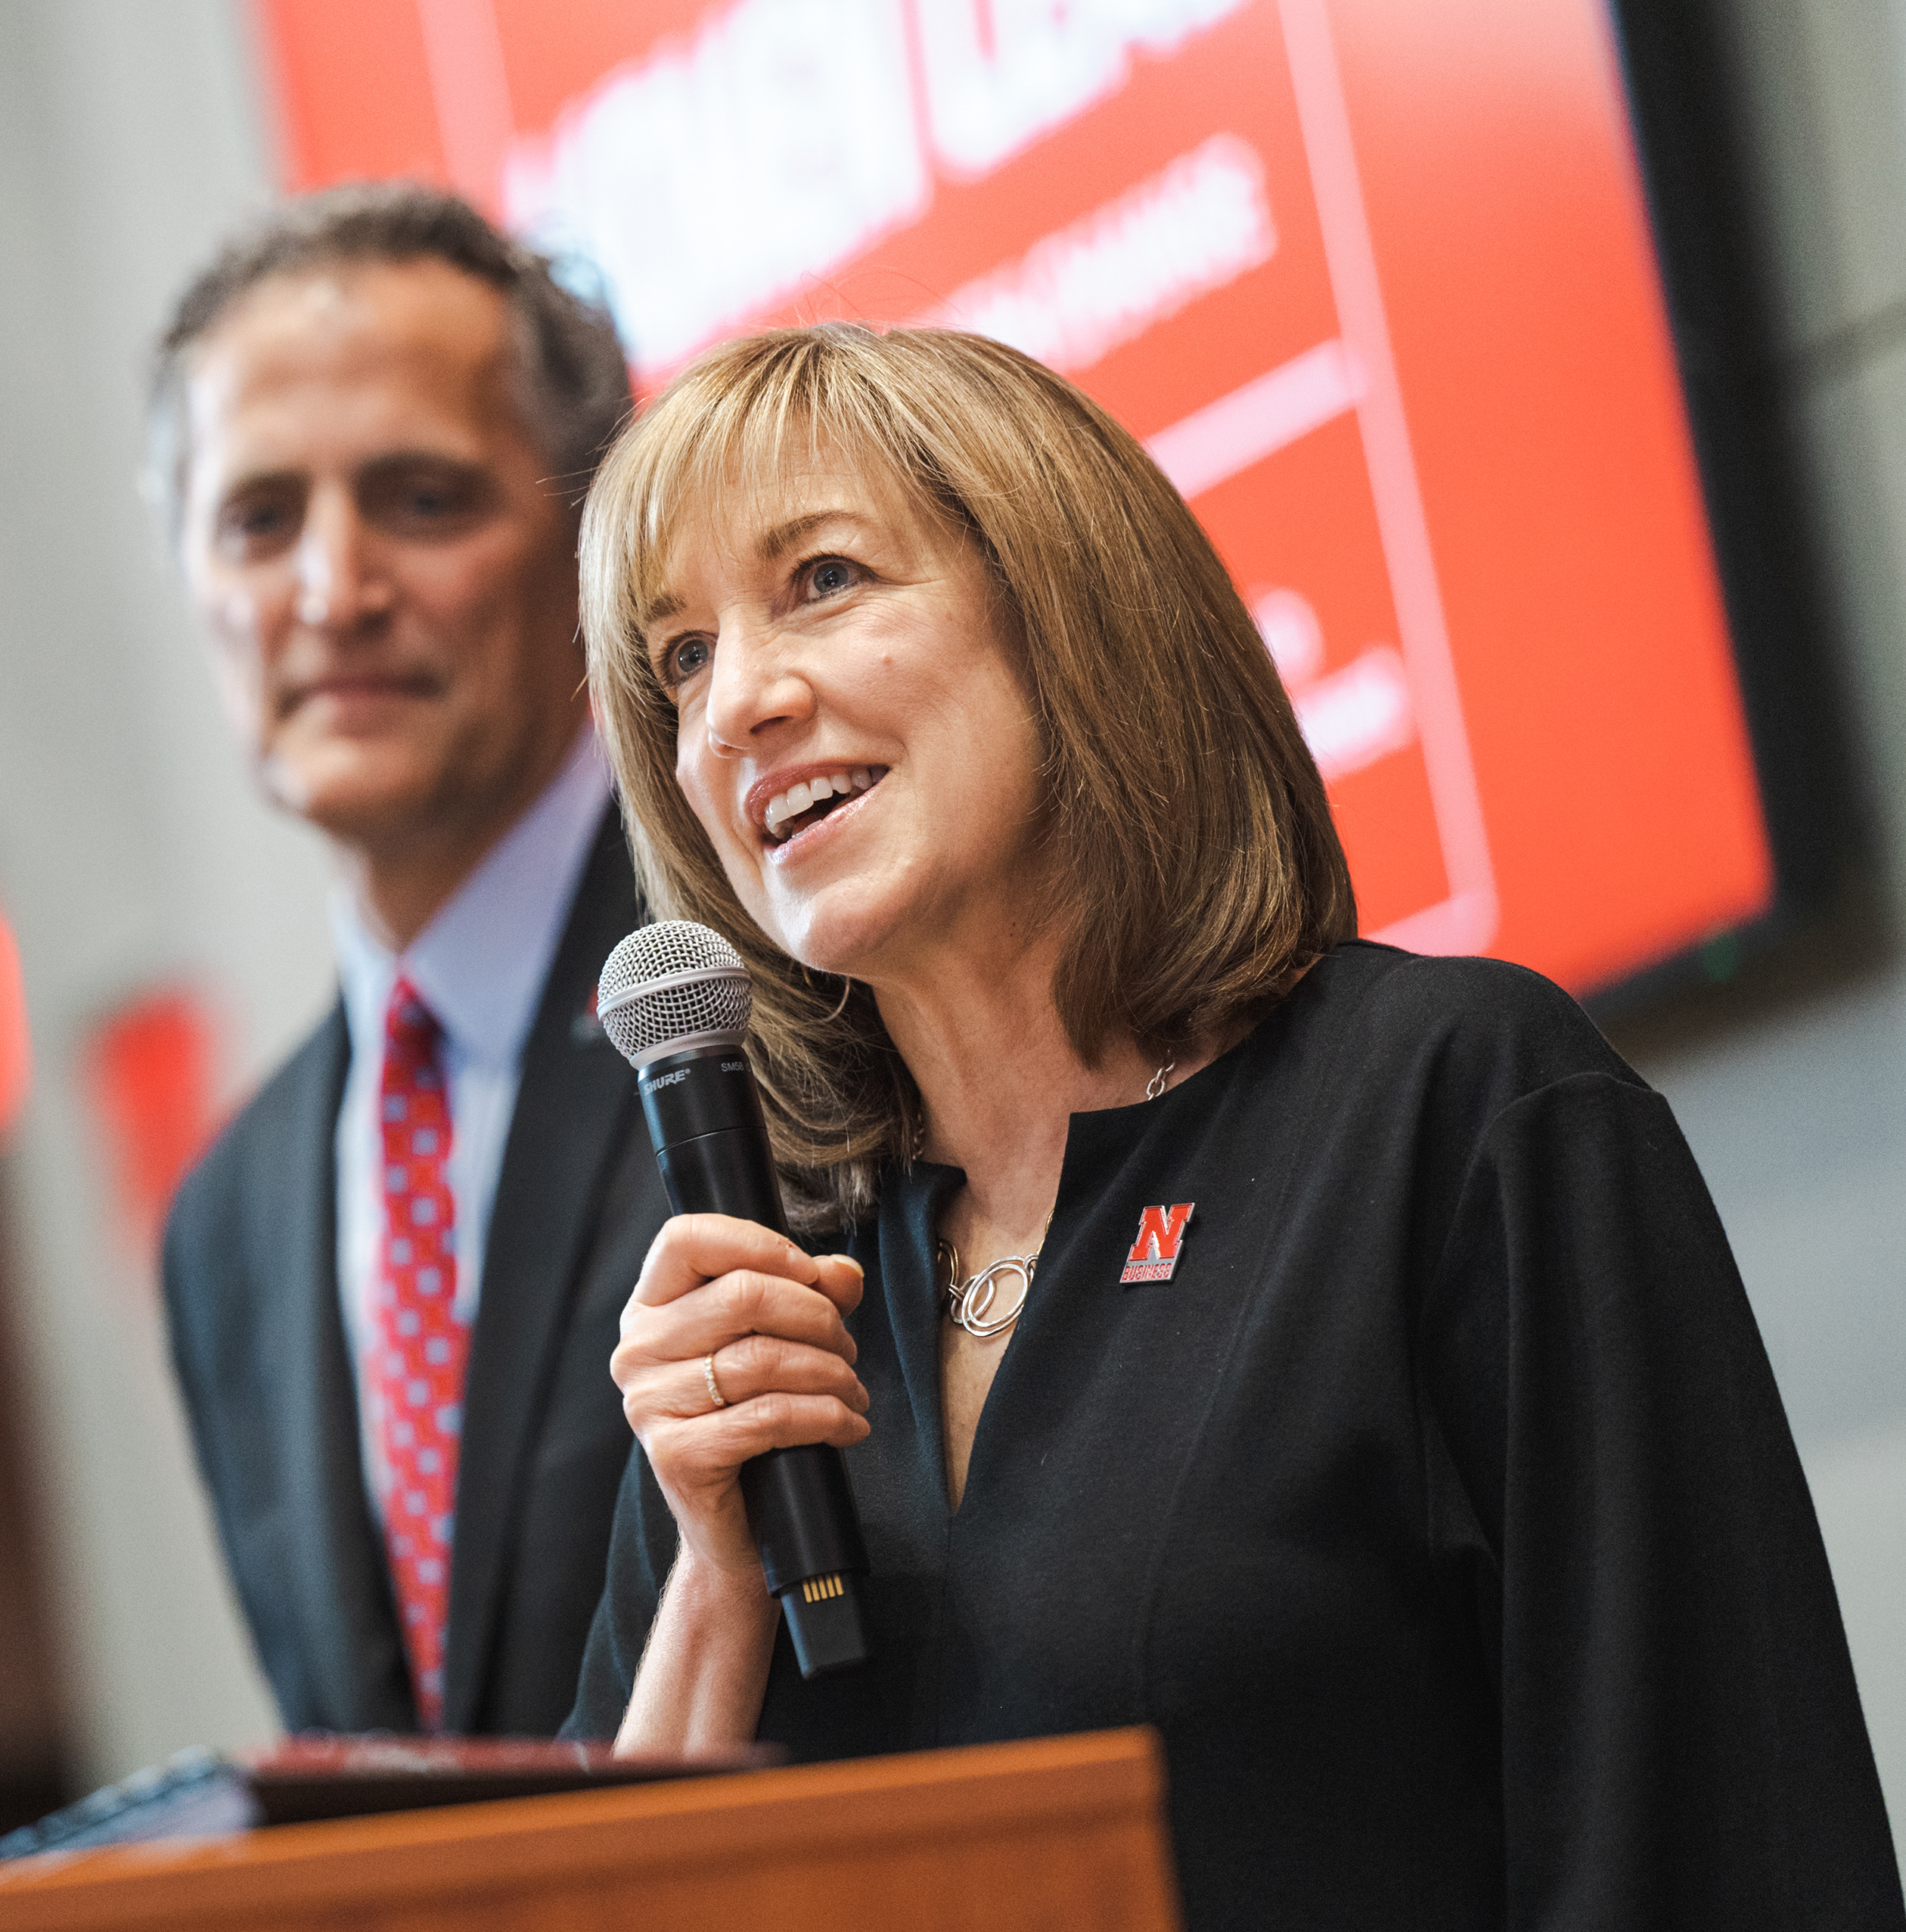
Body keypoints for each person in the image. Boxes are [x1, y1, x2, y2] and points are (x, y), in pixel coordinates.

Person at [566, 323, 1903, 1927]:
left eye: (824, 580)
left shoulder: (1446, 1109)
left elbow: (1707, 1843)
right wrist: (716, 1586)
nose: (736, 705)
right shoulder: (760, 1304)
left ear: (1065, 607)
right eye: (680, 658)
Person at [147, 184, 667, 1737]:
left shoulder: (776, 998)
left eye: (423, 500)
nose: (334, 594)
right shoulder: (227, 1221)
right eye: (258, 520)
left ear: (593, 536)